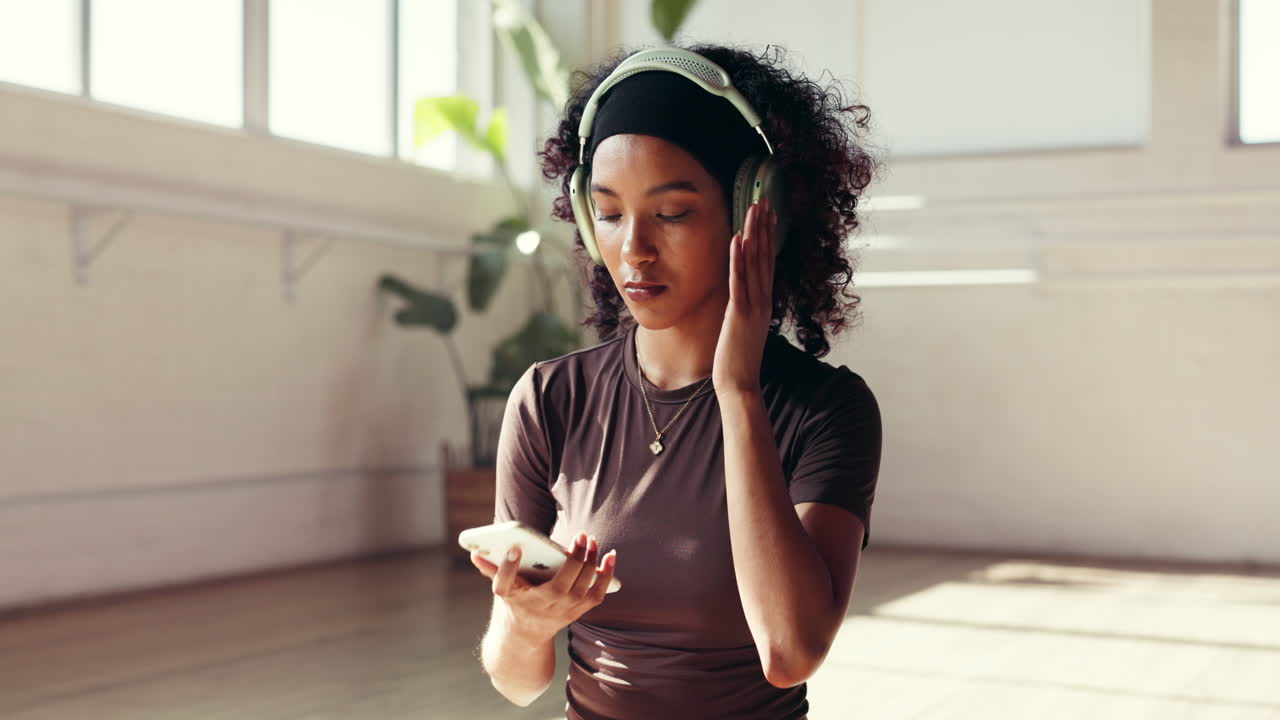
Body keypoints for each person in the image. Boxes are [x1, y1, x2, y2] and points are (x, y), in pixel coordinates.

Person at [468, 42, 883, 720]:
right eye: (608, 211)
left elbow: (791, 650)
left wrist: (738, 394)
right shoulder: (550, 400)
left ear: (756, 211)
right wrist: (529, 622)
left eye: (672, 212)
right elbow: (517, 682)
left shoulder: (825, 409)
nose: (633, 248)